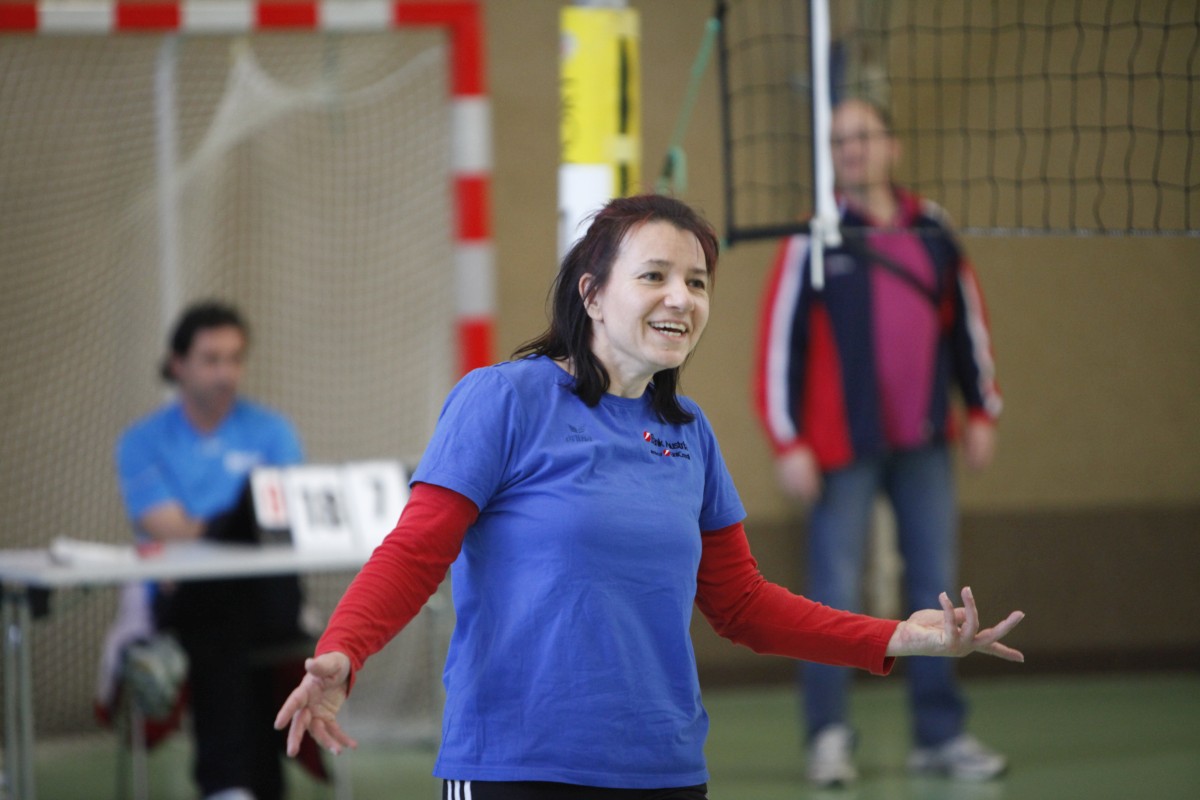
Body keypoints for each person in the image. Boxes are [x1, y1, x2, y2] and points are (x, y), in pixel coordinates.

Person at [275, 194, 1023, 800]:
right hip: (516, 766)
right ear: (593, 295)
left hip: (663, 770)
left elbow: (743, 606)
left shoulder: (689, 432)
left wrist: (899, 636)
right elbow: (416, 551)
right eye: (655, 276)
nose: (681, 298)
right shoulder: (502, 399)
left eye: (697, 282)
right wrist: (344, 649)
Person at [753, 97, 1006, 787]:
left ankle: (939, 735)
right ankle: (829, 735)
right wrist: (787, 441)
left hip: (926, 440)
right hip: (841, 448)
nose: (852, 149)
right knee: (833, 593)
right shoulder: (815, 233)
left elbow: (966, 322)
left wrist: (981, 409)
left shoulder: (933, 228)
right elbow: (780, 346)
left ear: (892, 146)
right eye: (839, 140)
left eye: (863, 136)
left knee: (939, 590)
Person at [115, 300, 322, 800]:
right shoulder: (141, 441)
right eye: (211, 359)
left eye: (234, 358)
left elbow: (286, 522)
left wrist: (209, 527)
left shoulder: (273, 430)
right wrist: (238, 521)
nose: (225, 373)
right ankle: (250, 785)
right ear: (177, 364)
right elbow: (167, 528)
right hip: (185, 602)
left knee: (226, 614)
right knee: (219, 615)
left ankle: (226, 785)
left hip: (267, 600)